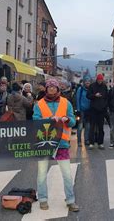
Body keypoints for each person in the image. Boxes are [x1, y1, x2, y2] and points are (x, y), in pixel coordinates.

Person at [33, 78, 79, 212]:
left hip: (62, 143)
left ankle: (70, 201)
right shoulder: (39, 104)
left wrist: (67, 119)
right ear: (46, 89)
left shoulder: (66, 103)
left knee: (67, 174)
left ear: (58, 89)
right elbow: (35, 120)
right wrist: (49, 119)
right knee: (41, 173)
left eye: (54, 87)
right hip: (44, 143)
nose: (52, 89)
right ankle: (42, 199)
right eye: (49, 87)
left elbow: (72, 122)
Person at [87, 74, 109, 150]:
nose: (100, 81)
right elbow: (88, 96)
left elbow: (107, 97)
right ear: (97, 79)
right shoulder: (92, 86)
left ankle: (100, 143)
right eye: (99, 79)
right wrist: (94, 95)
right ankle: (91, 143)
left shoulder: (104, 86)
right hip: (93, 109)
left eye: (101, 80)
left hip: (102, 110)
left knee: (101, 127)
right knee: (92, 127)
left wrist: (105, 106)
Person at [75, 78, 91, 146]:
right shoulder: (80, 89)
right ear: (84, 82)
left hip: (88, 110)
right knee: (80, 126)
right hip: (81, 110)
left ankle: (86, 139)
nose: (87, 83)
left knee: (88, 126)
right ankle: (79, 141)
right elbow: (77, 99)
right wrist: (78, 109)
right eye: (86, 82)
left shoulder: (91, 89)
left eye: (89, 82)